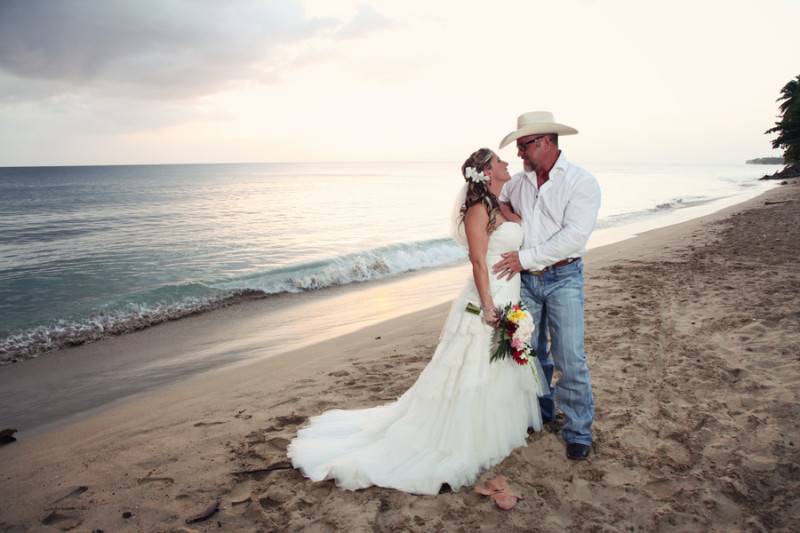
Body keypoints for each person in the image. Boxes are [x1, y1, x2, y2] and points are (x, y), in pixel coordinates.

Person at [287, 148, 547, 495]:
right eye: (499, 162)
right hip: (488, 297)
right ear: (486, 171)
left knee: (496, 366)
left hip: (510, 292)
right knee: (471, 368)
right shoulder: (477, 209)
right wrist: (487, 306)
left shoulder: (502, 205)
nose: (506, 164)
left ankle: (492, 430)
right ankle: (457, 437)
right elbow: (477, 261)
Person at [493, 111, 601, 461]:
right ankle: (542, 411)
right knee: (529, 352)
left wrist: (524, 257)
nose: (519, 155)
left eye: (524, 146)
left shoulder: (581, 182)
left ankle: (578, 431)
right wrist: (511, 219)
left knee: (570, 356)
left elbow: (574, 237)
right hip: (525, 281)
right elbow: (500, 200)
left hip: (563, 277)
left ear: (545, 142)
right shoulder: (519, 183)